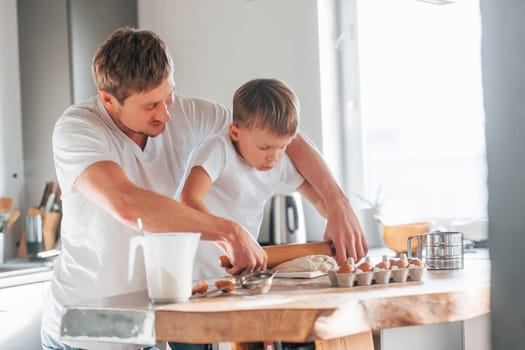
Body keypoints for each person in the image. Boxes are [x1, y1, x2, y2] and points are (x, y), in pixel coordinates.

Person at [41, 27, 367, 350]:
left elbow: (279, 135)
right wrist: (230, 232)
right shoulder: (78, 129)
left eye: (168, 95)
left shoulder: (186, 113)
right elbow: (128, 204)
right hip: (83, 328)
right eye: (151, 105)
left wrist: (338, 203)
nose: (166, 113)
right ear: (109, 99)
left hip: (151, 328)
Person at [180, 78, 327, 279]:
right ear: (235, 133)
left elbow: (318, 198)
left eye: (283, 146)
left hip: (242, 270)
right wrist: (228, 240)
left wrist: (336, 222)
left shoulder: (279, 160)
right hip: (197, 272)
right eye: (264, 147)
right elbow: (189, 200)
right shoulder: (218, 149)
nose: (273, 157)